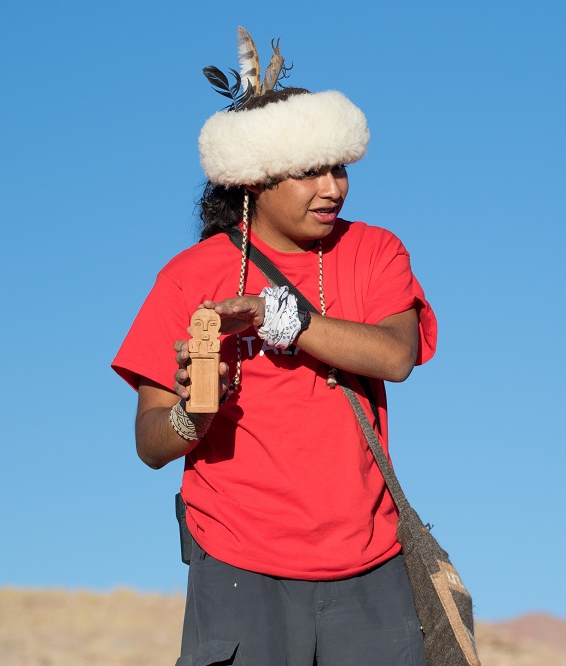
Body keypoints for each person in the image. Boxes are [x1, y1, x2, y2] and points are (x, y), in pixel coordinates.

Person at [112, 27, 436, 665]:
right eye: (308, 172)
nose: (332, 188)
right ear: (254, 180)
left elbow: (396, 356)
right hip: (236, 563)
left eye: (338, 167)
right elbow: (149, 441)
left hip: (370, 561)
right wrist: (191, 417)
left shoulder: (373, 251)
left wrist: (280, 318)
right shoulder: (189, 277)